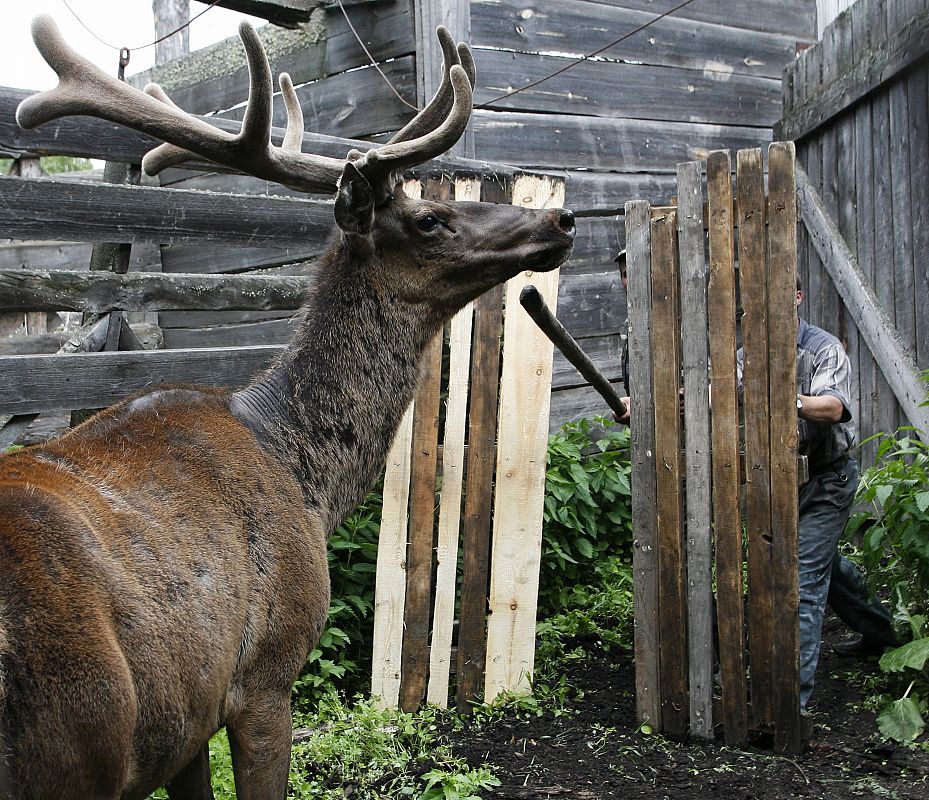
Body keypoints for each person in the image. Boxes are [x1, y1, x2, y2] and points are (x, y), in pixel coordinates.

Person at [738, 277, 898, 710]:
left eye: (778, 294)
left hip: (828, 479)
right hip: (779, 482)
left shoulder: (823, 347)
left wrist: (780, 399)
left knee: (803, 583)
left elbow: (833, 407)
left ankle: (793, 705)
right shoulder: (744, 356)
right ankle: (888, 636)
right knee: (828, 568)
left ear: (796, 296)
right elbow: (706, 394)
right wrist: (638, 403)